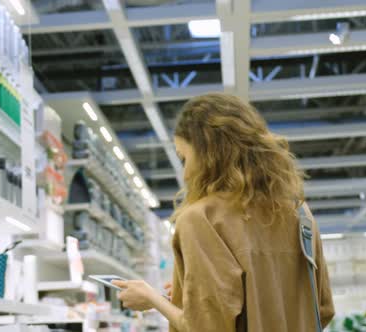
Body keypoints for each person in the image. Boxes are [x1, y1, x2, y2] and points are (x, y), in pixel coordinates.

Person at [112, 93, 335, 332]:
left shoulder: (201, 219)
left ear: (208, 153)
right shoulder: (298, 213)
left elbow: (208, 328)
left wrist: (152, 298)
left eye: (184, 158)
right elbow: (323, 309)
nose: (185, 174)